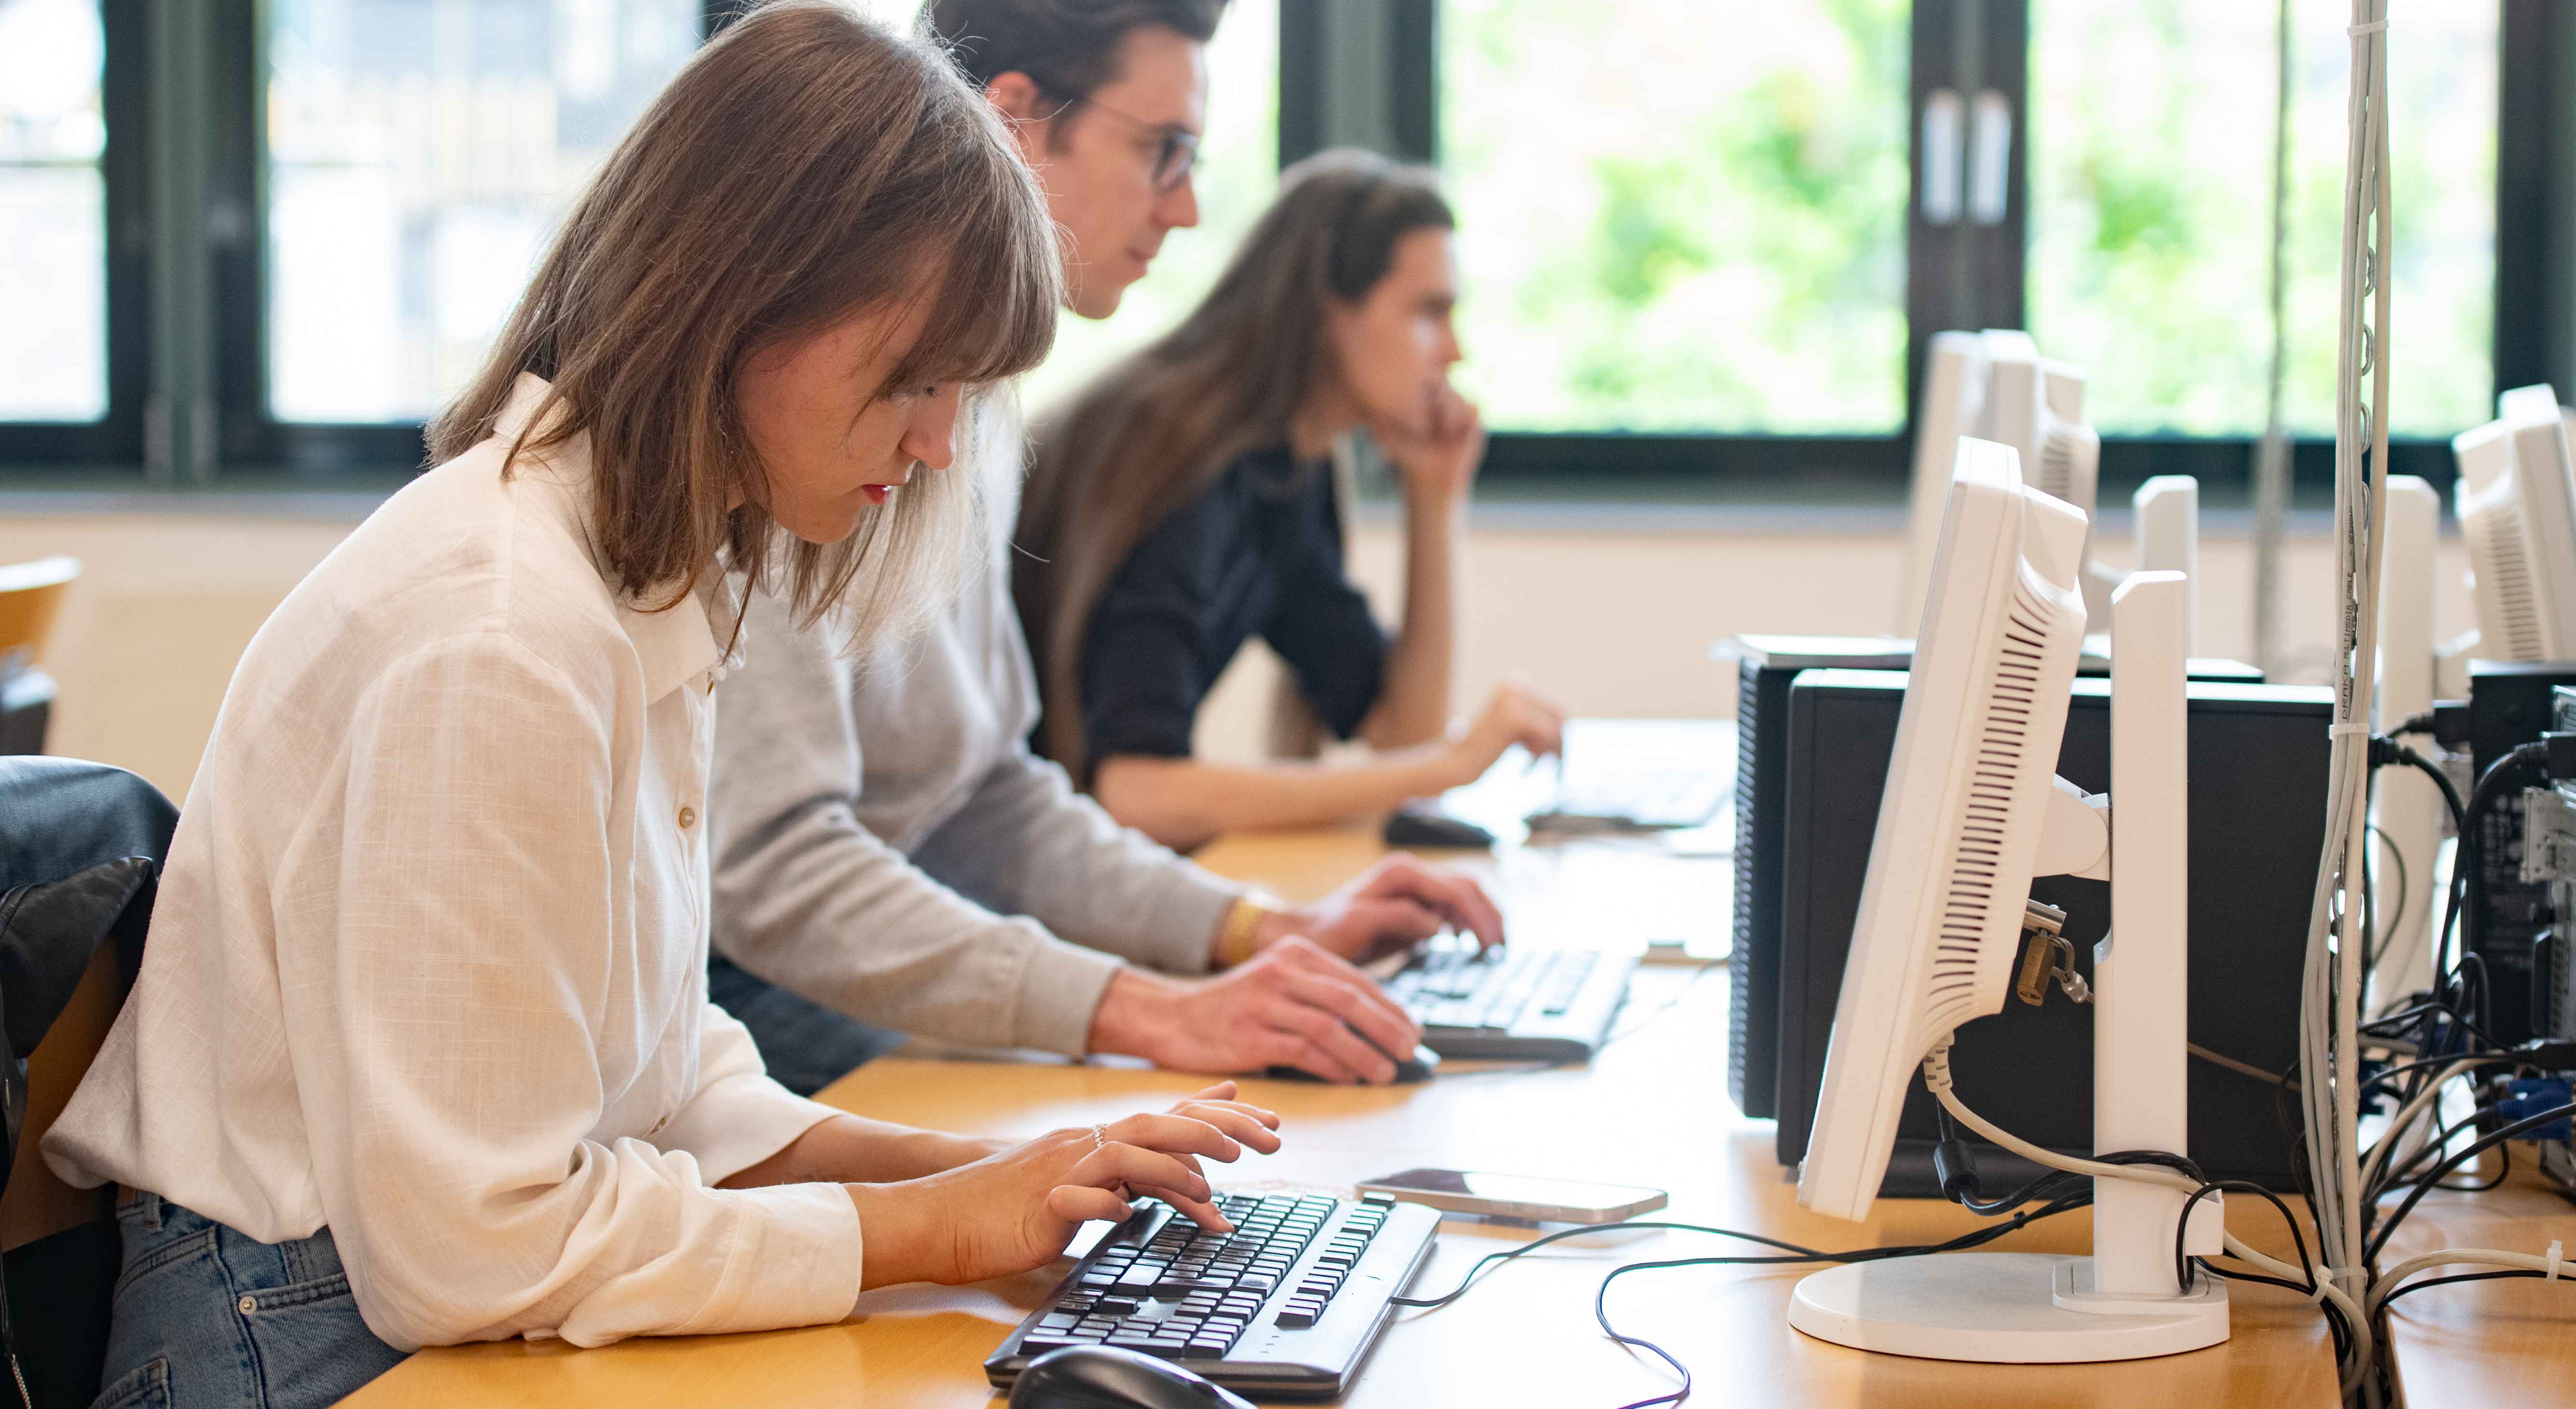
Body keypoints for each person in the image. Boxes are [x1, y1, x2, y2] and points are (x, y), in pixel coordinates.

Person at [44, 9, 1275, 1405]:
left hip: (393, 1284)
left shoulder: (635, 572)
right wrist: (933, 1224)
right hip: (300, 1330)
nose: (938, 444)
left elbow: (661, 1074)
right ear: (741, 304)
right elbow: (469, 1245)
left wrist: (1001, 1183)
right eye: (912, 379)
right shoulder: (500, 636)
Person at [704, 0, 1493, 1100]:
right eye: (1162, 150)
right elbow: (777, 874)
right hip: (744, 1003)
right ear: (1017, 122)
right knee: (1181, 1137)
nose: (1185, 207)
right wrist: (1151, 1007)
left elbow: (986, 793)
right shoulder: (819, 405)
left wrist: (1254, 931)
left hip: (883, 952)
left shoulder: (971, 409)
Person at [1014, 150, 1564, 854]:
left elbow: (1402, 727)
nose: (1453, 351)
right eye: (1429, 312)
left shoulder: (1285, 471)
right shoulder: (1185, 458)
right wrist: (1448, 765)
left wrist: (1434, 495)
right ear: (1328, 311)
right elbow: (1136, 793)